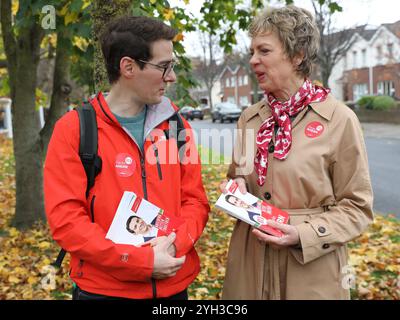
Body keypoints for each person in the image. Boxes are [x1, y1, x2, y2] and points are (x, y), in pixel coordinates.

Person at [44, 15, 210, 300]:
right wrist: (139, 261)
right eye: (164, 67)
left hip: (173, 286)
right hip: (104, 291)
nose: (171, 76)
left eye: (173, 66)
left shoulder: (176, 126)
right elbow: (67, 221)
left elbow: (194, 200)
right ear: (128, 67)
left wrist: (173, 245)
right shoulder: (74, 129)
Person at [220, 5, 373, 300]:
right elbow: (237, 177)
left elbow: (357, 207)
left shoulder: (338, 119)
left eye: (263, 51)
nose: (253, 60)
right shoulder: (249, 119)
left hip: (311, 272)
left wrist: (303, 235)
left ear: (297, 55)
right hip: (249, 268)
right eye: (252, 51)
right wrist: (236, 188)